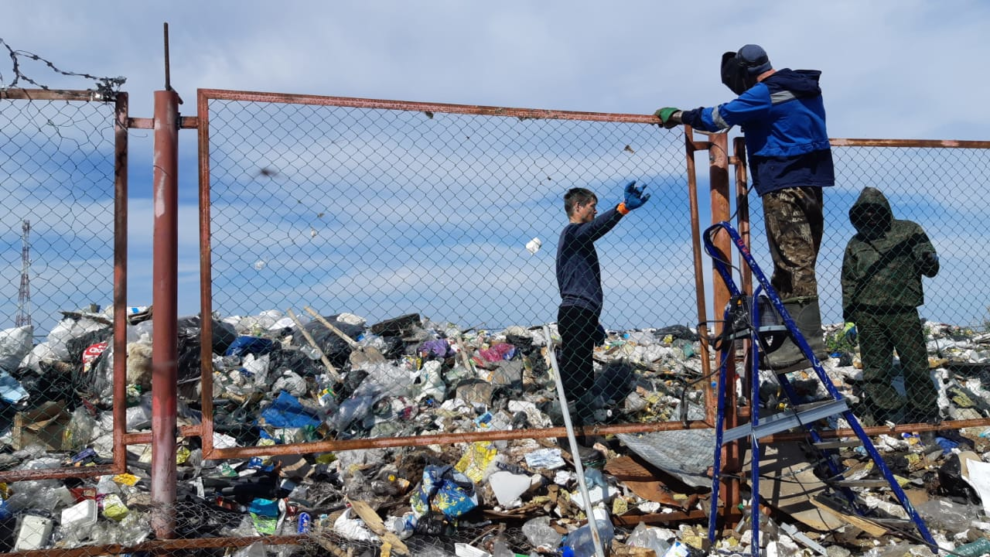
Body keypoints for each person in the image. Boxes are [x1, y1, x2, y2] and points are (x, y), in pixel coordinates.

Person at [656, 44, 833, 370]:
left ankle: (804, 344)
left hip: (782, 182)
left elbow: (717, 117)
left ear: (747, 74)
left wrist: (679, 116)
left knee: (794, 262)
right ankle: (783, 341)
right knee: (794, 261)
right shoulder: (803, 87)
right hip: (813, 181)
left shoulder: (766, 93)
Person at [556, 181, 649, 452]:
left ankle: (583, 437)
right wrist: (622, 209)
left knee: (583, 376)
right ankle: (569, 439)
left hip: (582, 314)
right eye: (592, 206)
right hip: (575, 313)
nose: (595, 211)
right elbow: (596, 228)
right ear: (578, 207)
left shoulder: (577, 240)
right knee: (575, 377)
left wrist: (593, 321)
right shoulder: (573, 233)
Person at [841, 187, 940, 425]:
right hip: (867, 315)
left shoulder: (909, 231)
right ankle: (892, 413)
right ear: (857, 214)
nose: (870, 216)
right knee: (875, 372)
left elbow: (930, 268)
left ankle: (925, 416)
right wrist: (850, 319)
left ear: (885, 211)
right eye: (864, 211)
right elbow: (849, 281)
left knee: (916, 367)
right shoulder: (856, 243)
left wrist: (930, 260)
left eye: (875, 210)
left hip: (903, 310)